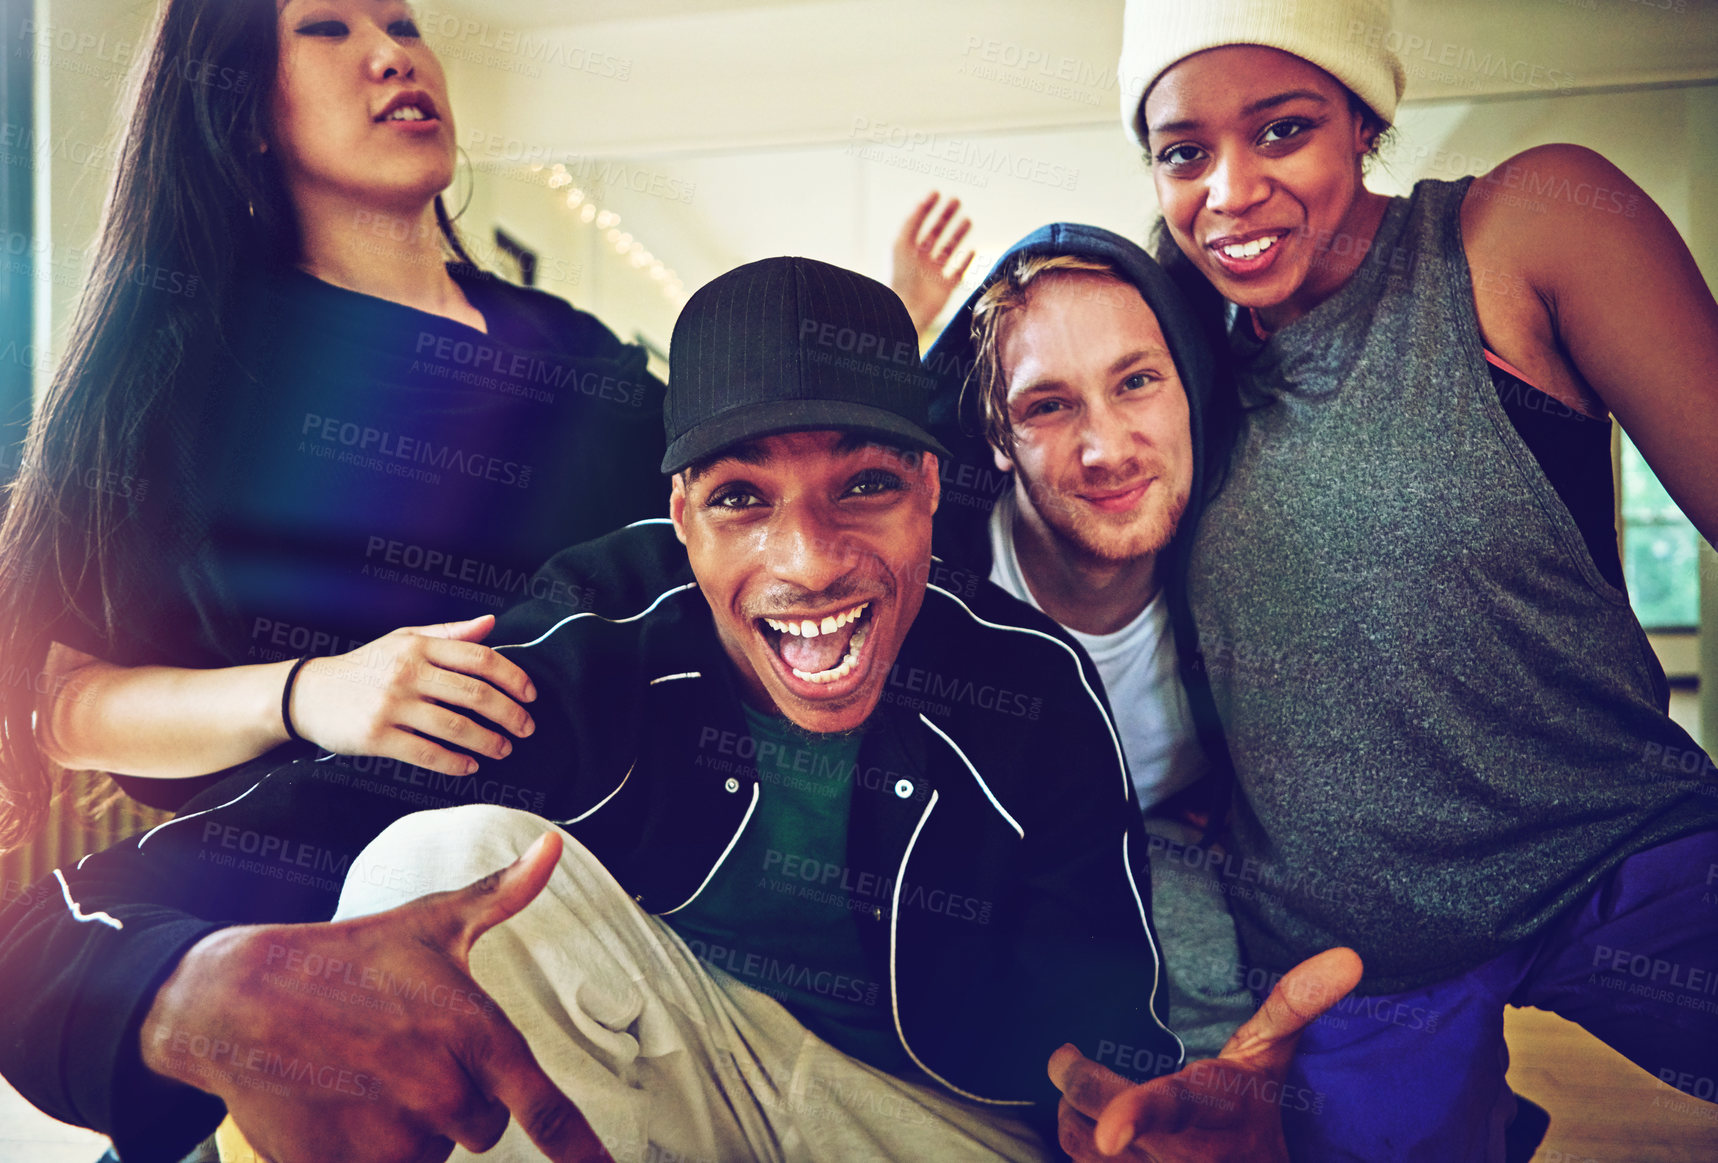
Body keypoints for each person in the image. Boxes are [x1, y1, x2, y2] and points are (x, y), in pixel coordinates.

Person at [0, 255, 1362, 1163]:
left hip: (912, 1119)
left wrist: (1143, 1109)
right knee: (438, 863)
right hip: (649, 1089)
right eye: (740, 498)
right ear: (676, 519)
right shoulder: (582, 651)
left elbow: (1096, 1040)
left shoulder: (1022, 682)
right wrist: (180, 990)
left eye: (864, 486)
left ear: (935, 492)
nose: (810, 560)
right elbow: (67, 924)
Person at [1108, 0, 1718, 1157]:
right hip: (1343, 951)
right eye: (1183, 152)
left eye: (1280, 129)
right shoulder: (1166, 366)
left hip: (1615, 849)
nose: (1227, 190)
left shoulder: (1520, 231)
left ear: (1361, 121)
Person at [0, 0, 667, 844]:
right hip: (325, 896)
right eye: (327, 29)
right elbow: (55, 701)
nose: (393, 55)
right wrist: (308, 692)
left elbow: (734, 507)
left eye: (404, 24)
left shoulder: (570, 342)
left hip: (615, 868)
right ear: (244, 115)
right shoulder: (196, 364)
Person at [918, 222, 1258, 1064]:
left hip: (1171, 846)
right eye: (1048, 404)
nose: (1106, 449)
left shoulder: (1250, 570)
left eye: (1137, 381)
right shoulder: (924, 585)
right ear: (999, 438)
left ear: (1189, 392)